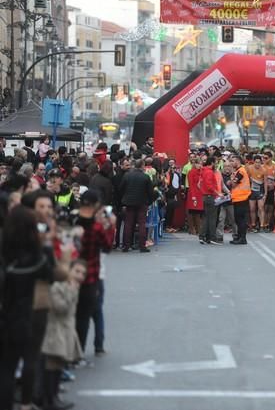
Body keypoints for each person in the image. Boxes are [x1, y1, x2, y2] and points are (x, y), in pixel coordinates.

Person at [0, 206, 63, 410]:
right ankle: (27, 403)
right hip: (25, 314)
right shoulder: (37, 255)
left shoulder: (4, 252)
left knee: (6, 369)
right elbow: (50, 275)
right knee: (30, 360)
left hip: (5, 313)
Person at [41, 260, 86, 410]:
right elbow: (62, 308)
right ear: (69, 271)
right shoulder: (58, 287)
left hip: (65, 330)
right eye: (77, 271)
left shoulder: (72, 286)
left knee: (59, 364)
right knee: (52, 364)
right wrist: (73, 291)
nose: (80, 276)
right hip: (56, 331)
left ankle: (54, 397)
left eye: (82, 273)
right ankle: (50, 399)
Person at [74, 190, 115, 356]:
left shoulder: (73, 219)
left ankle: (73, 351)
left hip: (71, 272)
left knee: (74, 314)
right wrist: (110, 226)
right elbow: (107, 247)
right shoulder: (97, 227)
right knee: (88, 313)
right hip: (91, 274)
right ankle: (81, 350)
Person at [120, 159, 155, 252]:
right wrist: (149, 202)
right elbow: (150, 192)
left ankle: (126, 246)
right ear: (142, 166)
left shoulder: (127, 175)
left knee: (128, 224)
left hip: (129, 202)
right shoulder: (145, 177)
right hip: (142, 203)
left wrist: (124, 200)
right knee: (142, 224)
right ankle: (142, 246)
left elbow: (121, 188)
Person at [198, 156, 221, 245]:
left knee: (206, 217)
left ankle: (203, 236)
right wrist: (217, 193)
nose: (216, 164)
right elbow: (209, 186)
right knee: (212, 218)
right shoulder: (209, 172)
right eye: (215, 162)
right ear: (212, 163)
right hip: (210, 196)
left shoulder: (203, 171)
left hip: (205, 196)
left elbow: (200, 185)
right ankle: (211, 237)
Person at [230, 155, 251, 245]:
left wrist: (231, 179)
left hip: (242, 198)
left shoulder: (241, 171)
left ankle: (242, 238)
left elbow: (233, 184)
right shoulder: (238, 171)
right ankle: (239, 237)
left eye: (233, 161)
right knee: (238, 219)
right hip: (238, 198)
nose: (231, 163)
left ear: (238, 161)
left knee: (240, 219)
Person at [247, 155, 266, 232]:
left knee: (261, 208)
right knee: (252, 209)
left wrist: (266, 193)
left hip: (260, 191)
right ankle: (253, 224)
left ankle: (262, 226)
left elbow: (265, 182)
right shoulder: (249, 168)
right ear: (253, 162)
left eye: (259, 162)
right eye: (256, 162)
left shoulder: (264, 170)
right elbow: (247, 180)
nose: (257, 164)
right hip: (251, 191)